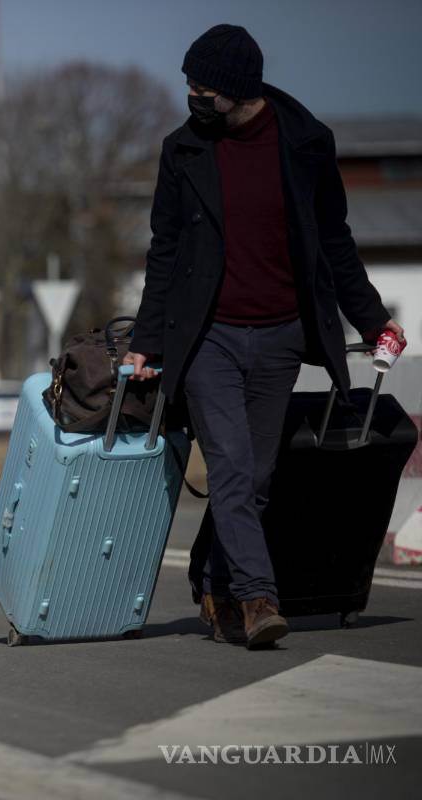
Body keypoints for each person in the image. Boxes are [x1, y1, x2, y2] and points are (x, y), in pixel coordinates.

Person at [124, 25, 404, 650]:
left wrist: (372, 319)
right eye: (188, 83)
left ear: (237, 88)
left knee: (255, 481)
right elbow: (164, 251)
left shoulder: (306, 144)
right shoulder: (184, 150)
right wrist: (148, 340)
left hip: (281, 336)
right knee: (229, 466)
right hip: (209, 339)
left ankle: (213, 582)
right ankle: (258, 600)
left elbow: (335, 242)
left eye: (202, 85)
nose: (192, 94)